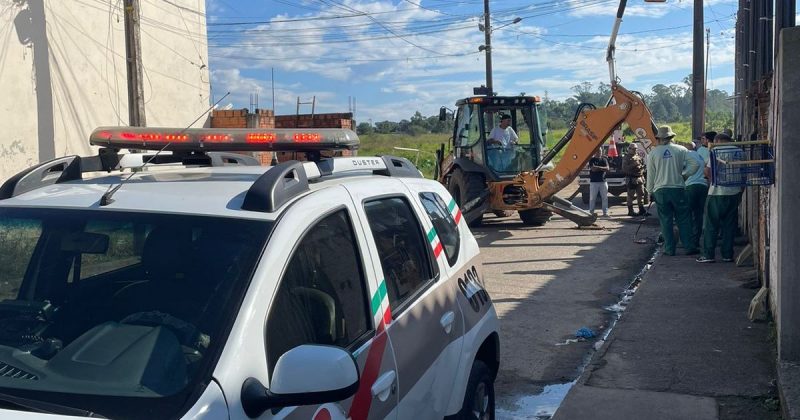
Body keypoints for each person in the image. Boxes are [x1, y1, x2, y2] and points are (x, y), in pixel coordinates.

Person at [645, 126, 700, 256]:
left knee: (665, 220)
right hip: (678, 189)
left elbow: (650, 175)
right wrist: (685, 175)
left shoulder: (653, 153)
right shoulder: (681, 150)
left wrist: (649, 191)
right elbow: (696, 164)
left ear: (658, 139)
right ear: (672, 137)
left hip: (660, 191)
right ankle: (689, 247)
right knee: (684, 219)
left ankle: (669, 249)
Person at [696, 132, 744, 263]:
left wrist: (712, 180)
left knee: (711, 224)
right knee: (729, 226)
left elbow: (707, 170)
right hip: (734, 192)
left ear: (717, 141)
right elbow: (744, 172)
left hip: (717, 193)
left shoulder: (716, 151)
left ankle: (708, 255)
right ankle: (727, 255)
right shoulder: (740, 151)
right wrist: (741, 191)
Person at [684, 141, 708, 251]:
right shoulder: (699, 155)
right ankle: (697, 240)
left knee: (687, 214)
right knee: (699, 215)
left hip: (690, 186)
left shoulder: (685, 156)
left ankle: (688, 241)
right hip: (703, 186)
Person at [622, 143, 647, 216]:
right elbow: (624, 169)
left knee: (641, 194)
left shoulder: (638, 156)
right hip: (631, 178)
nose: (635, 150)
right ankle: (630, 211)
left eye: (636, 149)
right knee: (631, 195)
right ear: (629, 149)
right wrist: (633, 165)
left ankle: (641, 210)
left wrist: (642, 168)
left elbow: (642, 165)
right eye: (633, 149)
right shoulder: (626, 158)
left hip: (639, 177)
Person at [587, 149, 610, 217]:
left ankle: (605, 213)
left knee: (605, 198)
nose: (599, 152)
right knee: (592, 198)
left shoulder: (604, 160)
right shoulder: (592, 160)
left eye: (600, 151)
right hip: (594, 182)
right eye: (597, 151)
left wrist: (597, 167)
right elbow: (593, 169)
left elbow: (607, 169)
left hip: (603, 182)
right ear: (595, 152)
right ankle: (591, 213)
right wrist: (602, 168)